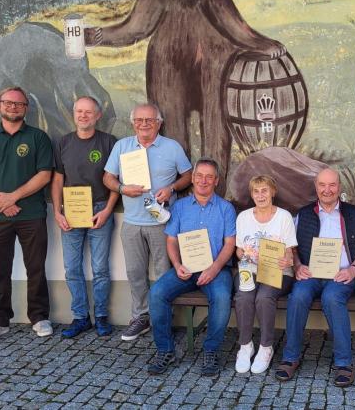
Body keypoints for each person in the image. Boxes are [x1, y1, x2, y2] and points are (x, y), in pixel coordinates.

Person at [0, 86, 54, 343]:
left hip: (32, 215)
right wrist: (0, 201)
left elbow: (44, 175)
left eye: (18, 104)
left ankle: (39, 317)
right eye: (8, 103)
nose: (13, 107)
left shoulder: (38, 138)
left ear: (26, 108)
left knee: (36, 268)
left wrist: (13, 197)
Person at [103, 103, 192, 341]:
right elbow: (108, 177)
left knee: (164, 273)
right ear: (133, 123)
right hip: (132, 222)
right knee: (135, 273)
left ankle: (163, 320)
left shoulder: (172, 147)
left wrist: (171, 188)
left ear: (159, 123)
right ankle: (140, 318)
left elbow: (188, 175)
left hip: (162, 222)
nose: (144, 124)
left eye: (149, 120)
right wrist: (122, 188)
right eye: (140, 120)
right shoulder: (122, 146)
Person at [274, 168, 355, 387]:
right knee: (298, 296)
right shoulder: (304, 213)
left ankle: (344, 362)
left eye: (332, 185)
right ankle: (290, 357)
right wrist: (298, 266)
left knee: (331, 298)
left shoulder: (353, 214)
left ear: (339, 187)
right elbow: (293, 248)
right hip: (312, 274)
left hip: (342, 274)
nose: (327, 190)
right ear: (316, 187)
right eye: (322, 185)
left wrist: (353, 270)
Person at [147, 159, 237, 377]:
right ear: (193, 178)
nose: (203, 181)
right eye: (199, 176)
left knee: (222, 297)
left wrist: (214, 269)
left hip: (216, 270)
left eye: (209, 177)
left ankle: (211, 351)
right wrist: (177, 265)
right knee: (157, 292)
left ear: (216, 181)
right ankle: (165, 350)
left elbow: (230, 244)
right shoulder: (179, 207)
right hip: (185, 269)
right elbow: (171, 241)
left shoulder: (226, 208)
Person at [51, 96, 119, 338]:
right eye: (79, 111)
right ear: (73, 114)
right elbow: (58, 178)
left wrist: (108, 210)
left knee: (100, 267)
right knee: (72, 268)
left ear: (98, 115)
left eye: (88, 112)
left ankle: (101, 316)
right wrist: (57, 212)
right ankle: (80, 317)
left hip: (100, 209)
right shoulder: (63, 143)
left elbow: (115, 180)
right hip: (71, 210)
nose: (83, 116)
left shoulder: (109, 142)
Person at [233, 175, 297, 374]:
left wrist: (288, 260)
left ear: (272, 192)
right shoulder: (243, 217)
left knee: (264, 297)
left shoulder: (284, 216)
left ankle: (265, 347)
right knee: (244, 296)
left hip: (277, 271)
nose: (260, 195)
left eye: (264, 190)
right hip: (249, 269)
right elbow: (238, 249)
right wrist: (241, 253)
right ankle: (245, 346)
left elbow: (290, 252)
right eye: (256, 191)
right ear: (251, 194)